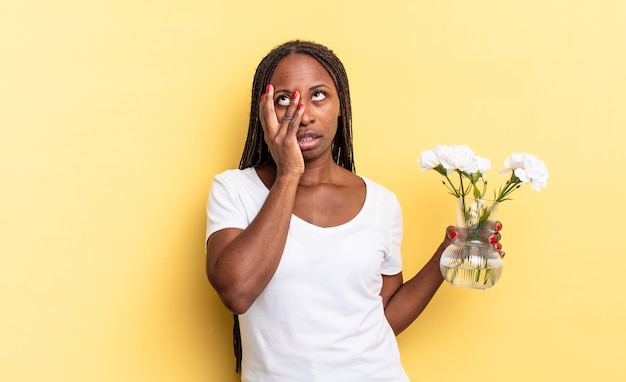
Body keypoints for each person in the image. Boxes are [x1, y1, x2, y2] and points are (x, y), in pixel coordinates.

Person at [205, 40, 504, 382]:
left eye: (318, 94)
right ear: (264, 113)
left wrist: (446, 255)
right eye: (284, 99)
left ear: (340, 106)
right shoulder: (235, 190)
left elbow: (382, 316)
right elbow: (237, 291)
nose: (302, 114)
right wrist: (289, 173)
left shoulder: (381, 202)